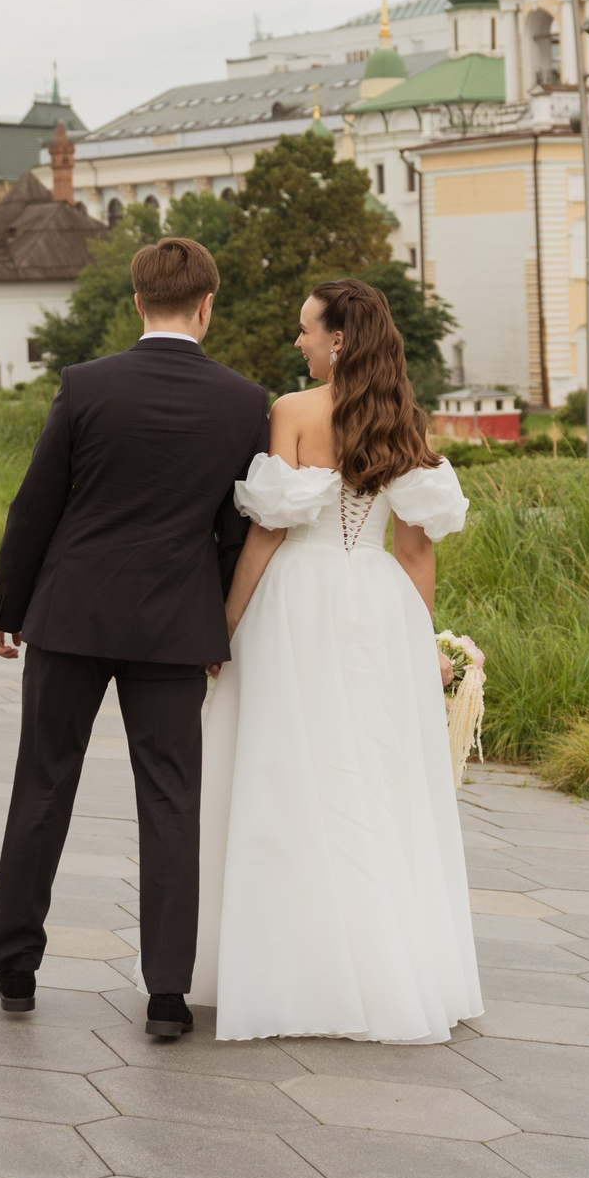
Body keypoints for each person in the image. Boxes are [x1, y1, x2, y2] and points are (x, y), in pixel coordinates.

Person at [0, 237, 268, 1041]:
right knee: (173, 800)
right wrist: (214, 622)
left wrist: (9, 605)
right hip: (175, 625)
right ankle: (168, 993)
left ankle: (15, 965)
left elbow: (34, 505)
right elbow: (230, 531)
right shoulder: (245, 404)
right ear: (207, 304)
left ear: (137, 301)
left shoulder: (86, 385)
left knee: (43, 781)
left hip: (71, 615)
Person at [190, 277, 482, 1042]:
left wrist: (222, 626)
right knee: (377, 774)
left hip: (295, 603)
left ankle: (289, 967)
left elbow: (267, 535)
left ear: (339, 338)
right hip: (378, 604)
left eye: (305, 329)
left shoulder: (291, 411)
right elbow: (416, 550)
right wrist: (421, 645)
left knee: (284, 768)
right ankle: (391, 964)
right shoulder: (404, 422)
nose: (299, 342)